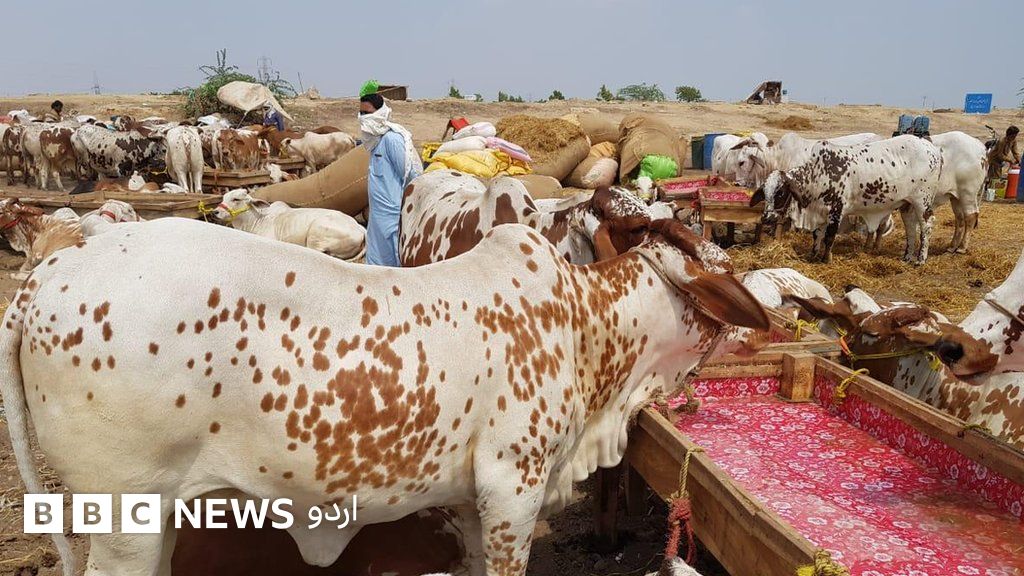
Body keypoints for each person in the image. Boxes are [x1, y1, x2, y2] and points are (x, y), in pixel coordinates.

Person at [359, 92, 421, 266]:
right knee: (377, 262)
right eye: (361, 113)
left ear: (380, 113)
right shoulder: (375, 142)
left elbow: (410, 174)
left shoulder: (392, 140)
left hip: (393, 214)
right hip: (378, 215)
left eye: (367, 113)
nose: (363, 117)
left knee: (396, 260)